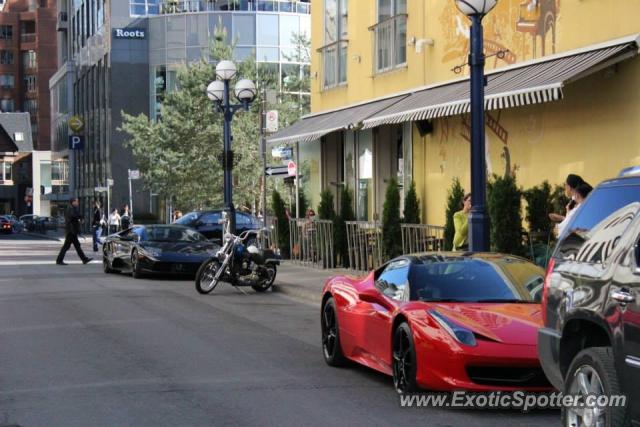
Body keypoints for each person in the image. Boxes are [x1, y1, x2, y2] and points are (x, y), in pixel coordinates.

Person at [56, 198, 92, 265]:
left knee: (76, 246)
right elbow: (74, 216)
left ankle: (84, 259)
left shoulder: (72, 208)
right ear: (73, 202)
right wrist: (80, 217)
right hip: (71, 231)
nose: (78, 203)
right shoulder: (71, 208)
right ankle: (59, 260)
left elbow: (76, 216)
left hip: (72, 231)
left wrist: (80, 218)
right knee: (67, 246)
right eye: (77, 201)